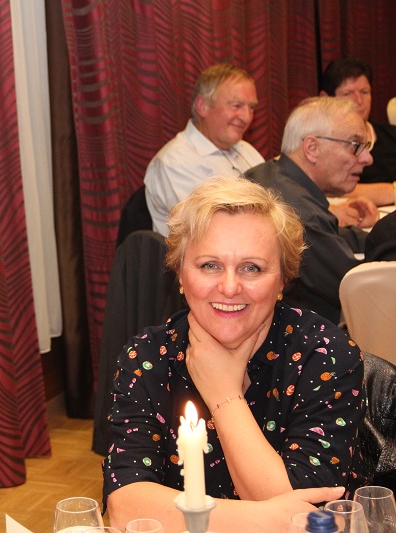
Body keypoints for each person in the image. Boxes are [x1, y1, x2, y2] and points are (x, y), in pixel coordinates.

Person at [103, 176, 365, 533]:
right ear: (180, 274)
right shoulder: (148, 356)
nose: (229, 287)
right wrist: (262, 518)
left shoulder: (324, 355)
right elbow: (125, 507)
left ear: (282, 280)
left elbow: (309, 520)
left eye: (251, 268)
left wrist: (224, 394)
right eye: (209, 265)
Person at [245, 96, 380, 324]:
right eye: (356, 146)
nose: (368, 159)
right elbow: (363, 293)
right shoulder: (298, 214)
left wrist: (378, 239)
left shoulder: (267, 174)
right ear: (312, 148)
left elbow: (330, 235)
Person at [144, 63, 264, 236]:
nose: (246, 117)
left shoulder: (246, 150)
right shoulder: (174, 161)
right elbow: (208, 232)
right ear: (203, 106)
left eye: (251, 107)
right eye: (236, 105)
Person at [320, 58, 396, 206]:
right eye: (348, 93)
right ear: (325, 98)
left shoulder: (392, 134)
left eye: (364, 92)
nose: (359, 100)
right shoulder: (323, 145)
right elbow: (324, 186)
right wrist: (390, 192)